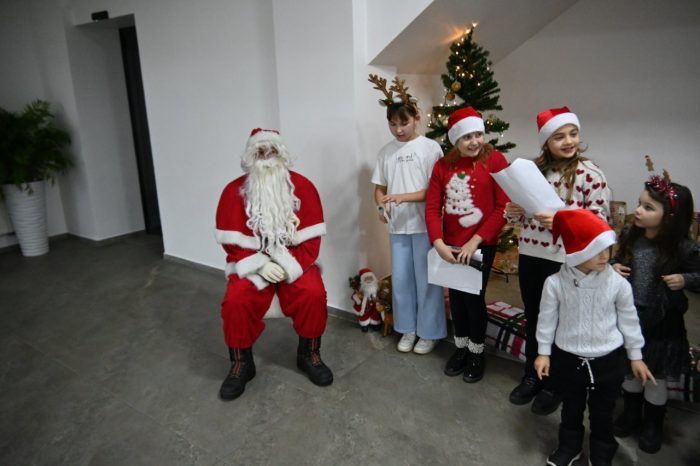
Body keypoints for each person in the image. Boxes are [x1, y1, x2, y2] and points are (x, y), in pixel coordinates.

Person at [506, 107, 611, 415]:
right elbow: (522, 214)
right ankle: (532, 375)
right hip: (531, 255)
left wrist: (564, 222)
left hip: (567, 261)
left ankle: (556, 384)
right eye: (559, 136)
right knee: (535, 317)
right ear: (546, 142)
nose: (568, 141)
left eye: (573, 134)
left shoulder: (591, 174)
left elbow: (601, 222)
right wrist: (513, 212)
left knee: (562, 322)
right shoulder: (533, 172)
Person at [215, 128, 333, 401]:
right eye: (260, 151)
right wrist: (258, 264)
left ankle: (309, 354)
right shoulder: (233, 191)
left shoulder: (303, 187)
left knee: (312, 293)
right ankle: (241, 363)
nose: (267, 156)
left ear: (282, 154)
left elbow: (311, 242)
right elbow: (231, 243)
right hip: (252, 264)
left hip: (296, 260)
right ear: (250, 157)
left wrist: (288, 265)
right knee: (236, 300)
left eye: (272, 151)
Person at [534, 209, 654, 466]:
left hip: (607, 361)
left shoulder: (618, 284)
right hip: (568, 357)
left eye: (608, 249)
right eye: (596, 250)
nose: (605, 256)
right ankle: (569, 446)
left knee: (603, 413)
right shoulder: (555, 284)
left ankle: (602, 451)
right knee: (571, 409)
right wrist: (543, 352)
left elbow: (629, 320)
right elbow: (546, 319)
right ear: (577, 251)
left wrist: (635, 355)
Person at [611, 171, 700, 453]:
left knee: (654, 376)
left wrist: (685, 279)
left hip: (662, 323)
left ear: (670, 217)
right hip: (630, 317)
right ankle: (630, 413)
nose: (638, 210)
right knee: (630, 371)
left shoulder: (684, 248)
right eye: (640, 204)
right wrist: (614, 267)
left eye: (648, 207)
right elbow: (615, 259)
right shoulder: (630, 236)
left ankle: (653, 423)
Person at [425, 106, 509, 383]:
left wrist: (475, 241)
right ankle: (461, 347)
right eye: (466, 137)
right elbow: (432, 207)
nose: (474, 142)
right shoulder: (443, 166)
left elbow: (502, 206)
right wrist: (438, 242)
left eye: (478, 135)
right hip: (450, 245)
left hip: (481, 244)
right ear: (455, 139)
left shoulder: (494, 160)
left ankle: (476, 353)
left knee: (473, 299)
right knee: (457, 299)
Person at [369, 74, 446, 354]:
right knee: (401, 280)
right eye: (392, 124)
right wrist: (382, 206)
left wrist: (401, 197)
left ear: (416, 118)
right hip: (398, 227)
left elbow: (434, 191)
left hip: (426, 225)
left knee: (427, 280)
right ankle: (407, 329)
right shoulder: (386, 152)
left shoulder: (430, 148)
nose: (398, 129)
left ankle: (429, 332)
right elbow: (379, 189)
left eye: (404, 123)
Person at [351, 268, 384, 332]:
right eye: (366, 278)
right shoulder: (360, 289)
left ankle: (375, 323)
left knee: (375, 314)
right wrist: (358, 298)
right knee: (364, 315)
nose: (368, 280)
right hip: (364, 307)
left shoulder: (376, 288)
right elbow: (354, 296)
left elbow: (379, 296)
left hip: (373, 306)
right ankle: (364, 325)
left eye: (370, 278)